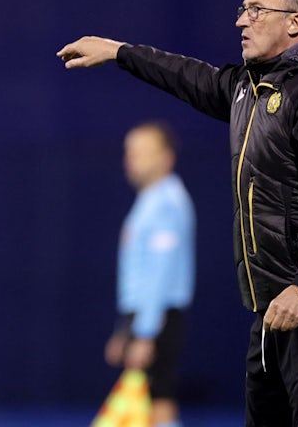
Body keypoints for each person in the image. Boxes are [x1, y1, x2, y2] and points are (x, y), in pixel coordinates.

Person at [58, 0, 298, 426]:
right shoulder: (253, 89)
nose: (240, 21)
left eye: (255, 10)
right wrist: (119, 52)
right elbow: (189, 76)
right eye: (241, 9)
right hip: (274, 309)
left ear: (294, 22)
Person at [104, 122, 195, 427]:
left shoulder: (166, 203)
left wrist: (145, 332)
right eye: (130, 152)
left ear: (166, 157)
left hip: (157, 318)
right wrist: (125, 329)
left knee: (159, 402)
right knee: (149, 402)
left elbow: (160, 272)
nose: (132, 159)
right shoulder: (150, 200)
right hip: (146, 317)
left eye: (143, 152)